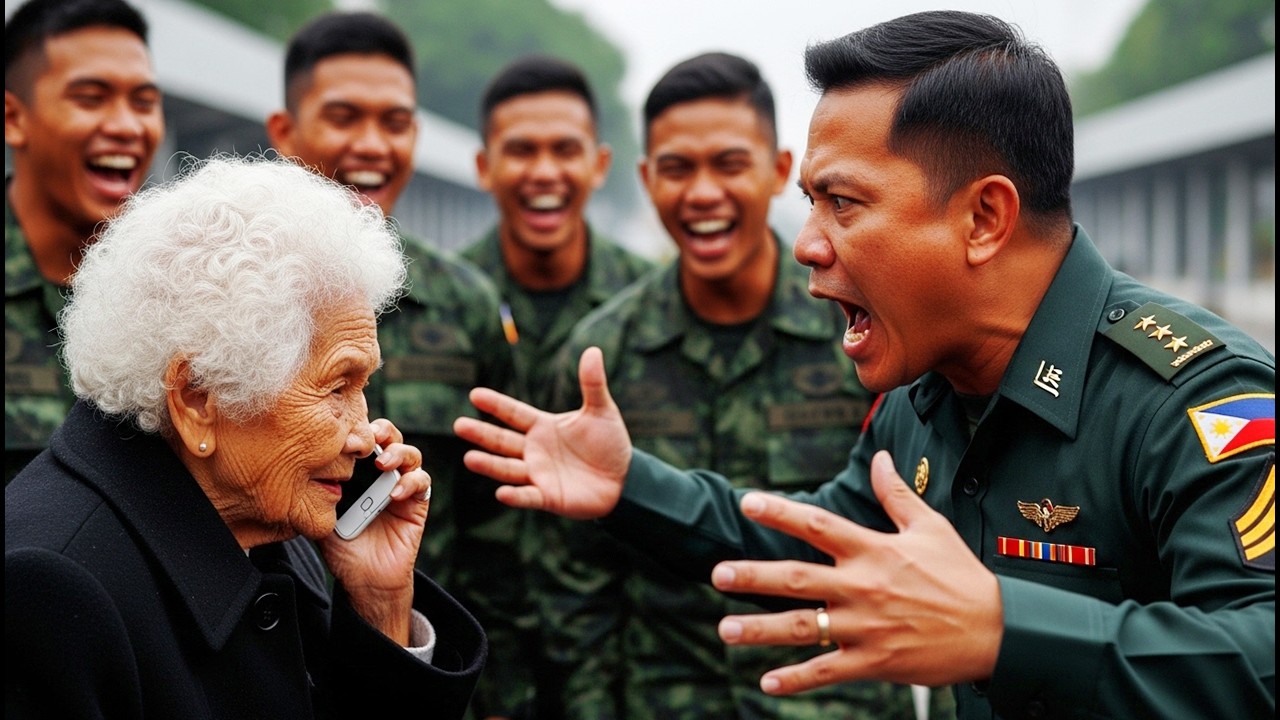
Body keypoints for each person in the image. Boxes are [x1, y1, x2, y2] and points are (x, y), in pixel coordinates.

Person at [454, 10, 1276, 720]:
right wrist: (633, 486)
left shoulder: (1199, 401)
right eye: (809, 202)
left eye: (842, 203)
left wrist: (1002, 628)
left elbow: (1260, 643)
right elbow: (822, 544)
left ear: (985, 216)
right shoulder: (925, 397)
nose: (806, 245)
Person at [5, 155, 487, 718]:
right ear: (198, 401)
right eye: (336, 388)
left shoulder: (264, 518)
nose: (365, 435)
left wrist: (382, 603)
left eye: (364, 387)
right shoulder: (48, 597)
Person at [539, 51, 937, 720]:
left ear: (782, 171)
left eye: (728, 164)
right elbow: (573, 589)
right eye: (676, 168)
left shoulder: (870, 337)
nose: (702, 193)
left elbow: (932, 546)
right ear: (645, 178)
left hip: (840, 699)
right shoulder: (596, 359)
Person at [264, 16, 517, 720]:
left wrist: (488, 693)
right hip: (270, 668)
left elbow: (496, 533)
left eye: (396, 122)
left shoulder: (467, 304)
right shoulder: (233, 297)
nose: (373, 146)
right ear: (284, 131)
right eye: (344, 118)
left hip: (422, 665)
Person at [460, 54, 655, 719]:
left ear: (598, 165)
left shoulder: (649, 307)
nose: (544, 172)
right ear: (484, 166)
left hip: (626, 671)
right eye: (520, 150)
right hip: (479, 668)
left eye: (564, 150)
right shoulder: (437, 307)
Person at [4, 0, 164, 483]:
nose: (126, 126)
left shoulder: (178, 292)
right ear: (13, 118)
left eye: (144, 102)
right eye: (91, 98)